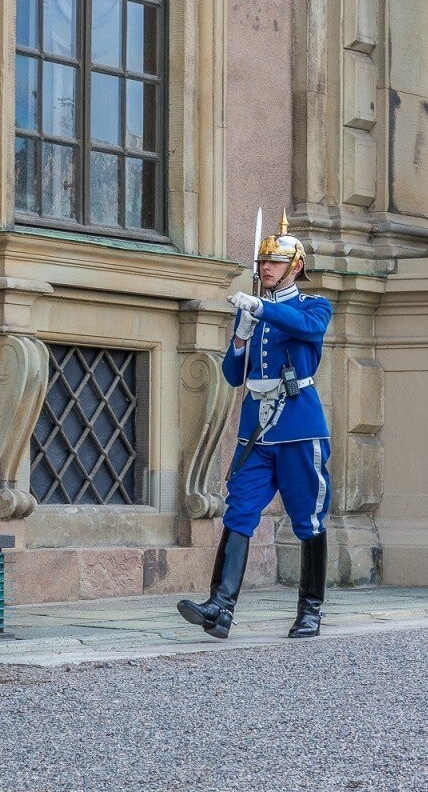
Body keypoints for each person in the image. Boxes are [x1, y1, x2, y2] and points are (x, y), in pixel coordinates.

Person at [177, 210, 332, 640]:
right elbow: (233, 374)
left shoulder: (312, 305)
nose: (266, 268)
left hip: (299, 426)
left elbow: (309, 327)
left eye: (275, 262)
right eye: (263, 262)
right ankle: (220, 608)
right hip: (257, 430)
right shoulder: (254, 310)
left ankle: (310, 611)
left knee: (309, 521)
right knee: (239, 512)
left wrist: (261, 308)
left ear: (295, 266)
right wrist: (242, 335)